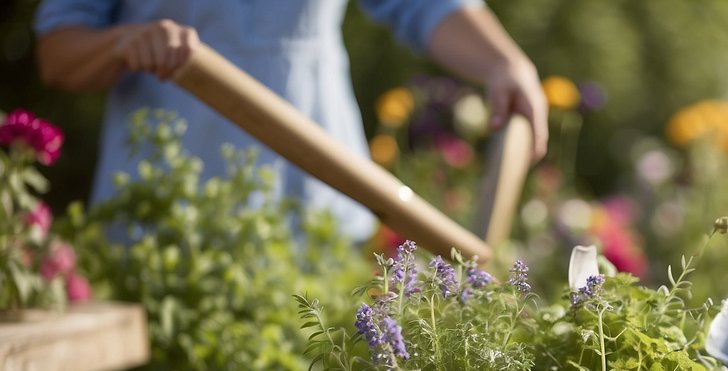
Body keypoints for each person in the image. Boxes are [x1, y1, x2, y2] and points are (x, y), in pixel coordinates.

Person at [34, 0, 548, 243]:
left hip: (316, 218)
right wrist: (124, 42)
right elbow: (57, 49)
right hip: (168, 232)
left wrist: (504, 61)